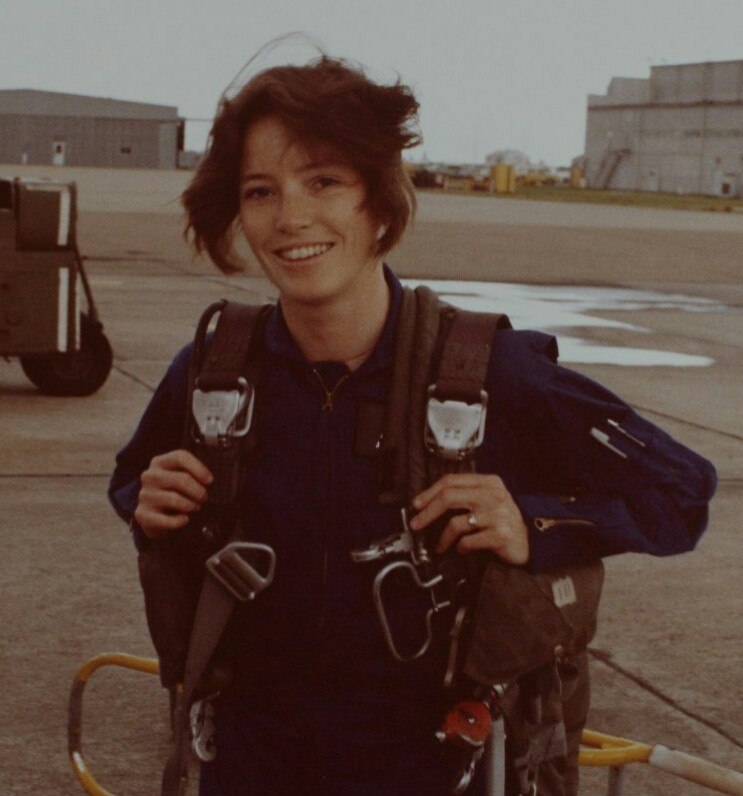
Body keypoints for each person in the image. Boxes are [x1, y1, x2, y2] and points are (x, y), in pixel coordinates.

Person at [109, 55, 716, 796]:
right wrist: (148, 500)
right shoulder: (215, 369)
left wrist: (534, 524)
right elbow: (131, 480)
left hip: (432, 762)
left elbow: (680, 490)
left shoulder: (491, 371)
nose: (290, 217)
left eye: (323, 182)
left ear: (379, 202)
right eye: (260, 191)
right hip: (253, 754)